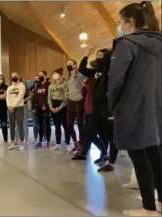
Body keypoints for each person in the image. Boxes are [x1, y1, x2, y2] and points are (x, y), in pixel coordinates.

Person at [108, 2, 161, 216]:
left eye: (120, 22)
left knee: (139, 157)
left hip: (133, 108)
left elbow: (115, 82)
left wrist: (114, 107)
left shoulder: (127, 44)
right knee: (155, 155)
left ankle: (148, 208)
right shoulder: (158, 43)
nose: (119, 26)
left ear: (130, 22)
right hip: (156, 108)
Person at [72, 48, 112, 165]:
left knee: (105, 133)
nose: (99, 57)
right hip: (95, 107)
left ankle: (106, 157)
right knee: (89, 132)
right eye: (98, 55)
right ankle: (104, 152)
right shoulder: (96, 72)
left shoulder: (110, 70)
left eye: (102, 55)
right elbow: (82, 69)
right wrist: (86, 56)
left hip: (106, 107)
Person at [65, 60, 85, 153]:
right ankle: (75, 143)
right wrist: (67, 95)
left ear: (75, 65)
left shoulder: (80, 75)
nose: (68, 65)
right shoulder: (68, 76)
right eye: (67, 64)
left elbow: (85, 86)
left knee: (80, 123)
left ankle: (82, 145)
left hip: (80, 100)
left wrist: (82, 95)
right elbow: (68, 88)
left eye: (70, 64)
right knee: (69, 124)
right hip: (71, 101)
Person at [48, 68, 70, 151]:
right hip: (53, 106)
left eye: (56, 73)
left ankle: (67, 143)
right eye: (54, 73)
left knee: (65, 126)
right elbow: (49, 98)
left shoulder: (64, 84)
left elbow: (66, 97)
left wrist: (60, 107)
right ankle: (58, 143)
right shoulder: (50, 86)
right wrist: (51, 107)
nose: (55, 75)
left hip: (62, 106)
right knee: (57, 126)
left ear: (60, 75)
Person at [6, 72, 26, 151]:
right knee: (11, 126)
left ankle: (21, 142)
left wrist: (13, 106)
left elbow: (20, 96)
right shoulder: (9, 87)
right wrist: (9, 106)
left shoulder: (22, 86)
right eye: (12, 76)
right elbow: (8, 97)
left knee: (20, 125)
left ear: (18, 77)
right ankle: (12, 143)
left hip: (19, 107)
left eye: (15, 76)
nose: (13, 77)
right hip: (10, 108)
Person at [32, 71, 51, 148]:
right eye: (39, 75)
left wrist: (46, 105)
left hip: (46, 108)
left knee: (47, 125)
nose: (40, 77)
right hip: (39, 108)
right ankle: (40, 141)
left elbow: (50, 96)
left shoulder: (48, 84)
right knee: (40, 125)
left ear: (45, 76)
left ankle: (48, 142)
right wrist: (34, 107)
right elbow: (35, 96)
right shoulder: (38, 85)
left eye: (41, 75)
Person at [16, 78, 31, 146]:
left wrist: (25, 99)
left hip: (24, 106)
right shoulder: (14, 88)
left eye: (19, 80)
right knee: (17, 125)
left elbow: (30, 95)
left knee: (24, 124)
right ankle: (17, 139)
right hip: (16, 107)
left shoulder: (24, 87)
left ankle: (26, 140)